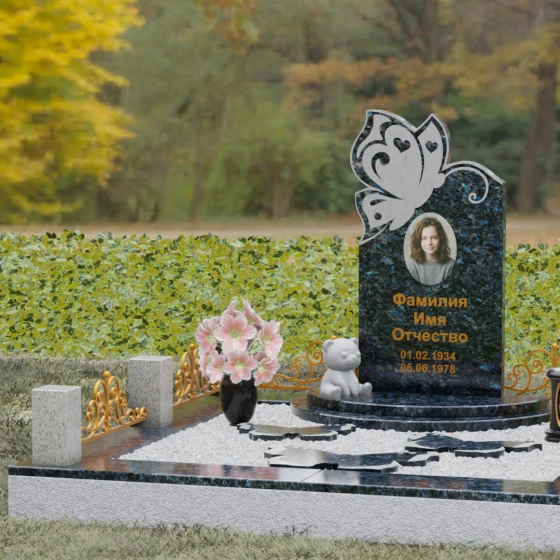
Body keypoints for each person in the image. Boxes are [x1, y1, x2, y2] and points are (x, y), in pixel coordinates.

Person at [406, 216, 455, 286]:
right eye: (424, 238)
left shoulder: (450, 265)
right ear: (418, 241)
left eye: (434, 237)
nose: (429, 243)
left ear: (441, 239)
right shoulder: (411, 264)